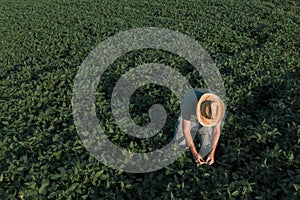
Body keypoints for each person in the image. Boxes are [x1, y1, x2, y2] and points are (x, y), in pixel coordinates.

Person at [174, 88, 225, 165]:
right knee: (180, 141)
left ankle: (199, 130)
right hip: (190, 108)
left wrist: (212, 153)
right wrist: (194, 153)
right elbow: (186, 130)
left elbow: (216, 130)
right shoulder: (189, 104)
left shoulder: (217, 108)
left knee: (206, 147)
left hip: (204, 110)